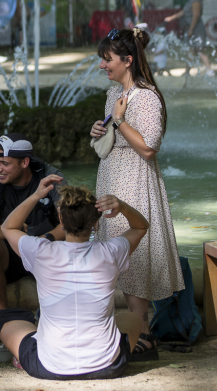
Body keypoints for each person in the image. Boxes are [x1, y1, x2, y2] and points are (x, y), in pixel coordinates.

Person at [89, 27, 183, 360]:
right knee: (118, 257)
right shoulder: (114, 92)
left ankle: (144, 335)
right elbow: (113, 137)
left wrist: (118, 120)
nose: (103, 65)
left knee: (133, 258)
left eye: (108, 59)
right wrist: (101, 129)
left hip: (135, 182)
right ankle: (135, 332)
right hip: (113, 176)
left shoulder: (146, 96)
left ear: (128, 61)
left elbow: (148, 148)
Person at [0, 180, 148, 381]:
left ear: (61, 219)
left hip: (49, 367)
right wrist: (122, 206)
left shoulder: (41, 251)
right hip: (108, 366)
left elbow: (8, 227)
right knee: (134, 319)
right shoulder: (111, 252)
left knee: (7, 326)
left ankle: (24, 356)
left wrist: (35, 196)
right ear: (96, 222)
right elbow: (141, 227)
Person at [0, 134, 66, 313]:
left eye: (5, 163)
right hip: (9, 254)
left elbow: (69, 225)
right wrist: (17, 235)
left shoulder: (50, 176)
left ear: (25, 162)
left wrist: (44, 239)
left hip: (45, 251)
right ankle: (3, 314)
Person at [164, 0, 213, 76]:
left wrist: (191, 29)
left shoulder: (196, 1)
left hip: (196, 29)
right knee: (190, 51)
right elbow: (182, 13)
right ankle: (187, 71)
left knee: (199, 50)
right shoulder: (191, 1)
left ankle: (209, 69)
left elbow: (196, 15)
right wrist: (171, 18)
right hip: (191, 29)